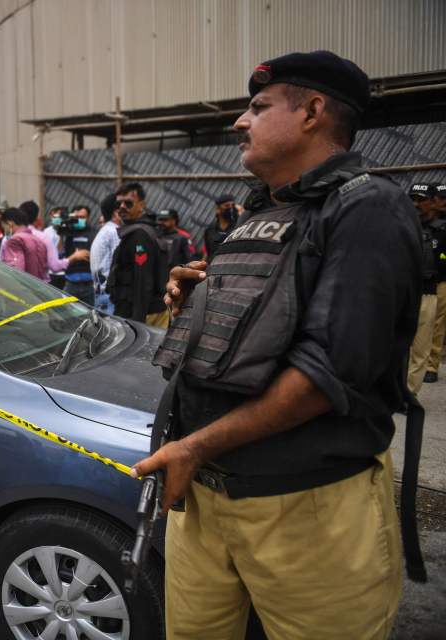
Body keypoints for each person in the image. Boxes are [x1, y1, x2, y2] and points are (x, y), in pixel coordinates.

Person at [134, 51, 421, 639]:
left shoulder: (367, 207)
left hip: (306, 509)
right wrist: (204, 298)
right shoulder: (260, 210)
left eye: (259, 107)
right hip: (203, 502)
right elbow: (264, 320)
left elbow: (326, 374)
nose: (241, 121)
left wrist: (192, 448)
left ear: (313, 111)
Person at [107, 182, 170, 327]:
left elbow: (143, 280)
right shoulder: (136, 231)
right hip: (138, 312)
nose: (122, 207)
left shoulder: (140, 235)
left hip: (144, 315)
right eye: (118, 204)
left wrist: (138, 323)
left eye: (128, 203)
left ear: (141, 205)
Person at [407, 182, 442, 394]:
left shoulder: (441, 230)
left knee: (420, 348)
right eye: (413, 199)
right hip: (402, 292)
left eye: (421, 200)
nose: (416, 204)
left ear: (432, 202)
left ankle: (410, 392)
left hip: (428, 293)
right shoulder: (403, 226)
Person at [20, 200, 88, 292]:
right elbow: (55, 265)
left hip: (19, 284)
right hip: (39, 285)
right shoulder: (44, 236)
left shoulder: (11, 236)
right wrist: (75, 257)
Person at [425, 182, 446, 383]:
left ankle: (431, 365)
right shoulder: (423, 221)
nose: (443, 203)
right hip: (422, 281)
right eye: (441, 199)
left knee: (437, 325)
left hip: (442, 281)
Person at [90, 193, 122, 315]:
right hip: (109, 297)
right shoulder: (114, 232)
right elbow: (118, 265)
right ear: (115, 212)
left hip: (101, 294)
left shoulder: (105, 230)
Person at [59, 205, 96, 305]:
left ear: (88, 218)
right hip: (71, 283)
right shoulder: (68, 232)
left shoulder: (94, 233)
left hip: (89, 285)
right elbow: (60, 254)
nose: (79, 220)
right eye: (77, 217)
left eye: (82, 217)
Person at [0, 207, 48, 280]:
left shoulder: (15, 241)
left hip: (23, 289)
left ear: (10, 224)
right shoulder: (39, 240)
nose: (4, 231)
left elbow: (16, 272)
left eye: (4, 227)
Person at [202, 193, 242, 261]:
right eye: (227, 206)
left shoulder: (239, 227)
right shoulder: (210, 230)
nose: (231, 209)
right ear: (218, 209)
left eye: (232, 205)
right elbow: (208, 252)